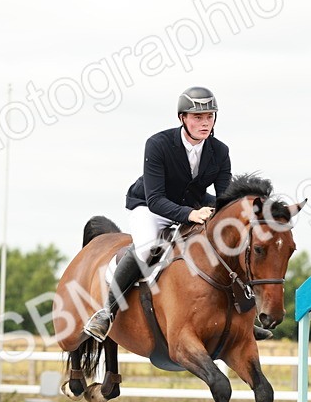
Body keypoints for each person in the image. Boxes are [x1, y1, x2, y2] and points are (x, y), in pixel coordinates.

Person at [84, 87, 273, 342]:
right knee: (145, 249)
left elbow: (224, 198)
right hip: (151, 208)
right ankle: (106, 312)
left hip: (195, 207)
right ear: (182, 118)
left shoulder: (220, 151)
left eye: (209, 117)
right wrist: (190, 214)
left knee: (228, 247)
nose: (204, 123)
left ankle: (245, 321)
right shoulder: (158, 144)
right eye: (197, 117)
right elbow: (155, 199)